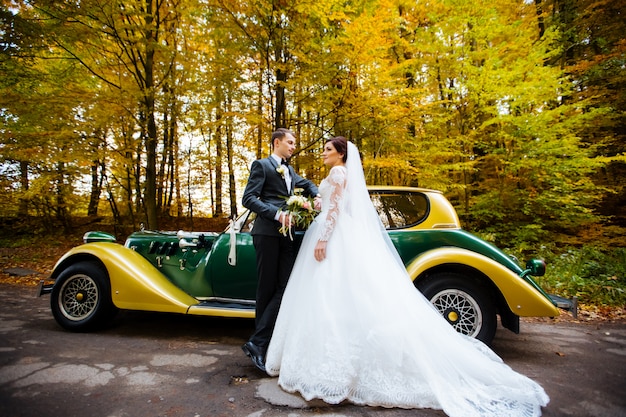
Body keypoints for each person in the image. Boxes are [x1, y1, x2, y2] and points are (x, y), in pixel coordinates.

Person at [265, 136, 550, 417]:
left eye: (328, 149)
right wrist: (308, 207)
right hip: (338, 233)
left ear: (341, 154)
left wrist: (323, 239)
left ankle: (332, 367)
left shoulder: (338, 172)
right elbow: (331, 205)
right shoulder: (337, 173)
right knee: (341, 297)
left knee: (329, 297)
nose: (323, 153)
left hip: (334, 236)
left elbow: (336, 210)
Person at [241, 128, 319, 373]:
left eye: (295, 143)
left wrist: (316, 194)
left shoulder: (290, 170)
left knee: (286, 287)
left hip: (287, 236)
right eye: (290, 142)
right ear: (277, 142)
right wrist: (276, 214)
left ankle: (259, 341)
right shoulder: (261, 166)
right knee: (266, 288)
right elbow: (249, 198)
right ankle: (260, 347)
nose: (294, 146)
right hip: (266, 233)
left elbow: (307, 184)